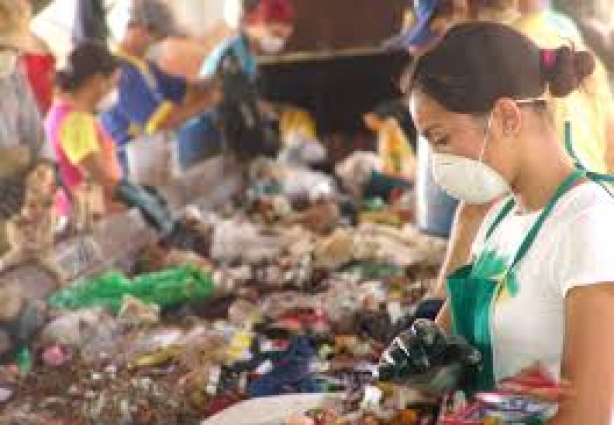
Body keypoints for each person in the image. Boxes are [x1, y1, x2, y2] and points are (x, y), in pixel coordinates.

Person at [386, 22, 614, 424]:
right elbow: (450, 344)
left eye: (441, 139)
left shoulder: (587, 225)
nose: (439, 163)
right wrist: (424, 363)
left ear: (507, 117)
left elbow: (587, 415)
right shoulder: (499, 221)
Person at [100, 0, 220, 185]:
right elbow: (162, 121)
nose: (158, 44)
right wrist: (211, 100)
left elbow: (184, 88)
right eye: (157, 37)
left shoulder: (144, 66)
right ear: (137, 28)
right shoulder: (123, 73)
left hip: (157, 156)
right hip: (135, 165)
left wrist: (217, 78)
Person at [177, 0, 296, 169]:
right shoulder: (231, 59)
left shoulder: (246, 56)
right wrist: (270, 148)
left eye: (284, 37)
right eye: (274, 33)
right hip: (206, 141)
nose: (278, 42)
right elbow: (240, 112)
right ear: (252, 24)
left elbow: (249, 102)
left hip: (222, 135)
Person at [45, 41, 124, 223]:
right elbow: (99, 178)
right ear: (97, 81)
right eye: (112, 84)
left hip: (84, 213)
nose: (113, 92)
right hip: (94, 216)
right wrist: (137, 202)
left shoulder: (59, 112)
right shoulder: (75, 122)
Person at [0, 0, 52, 253]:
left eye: (14, 49)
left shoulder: (13, 75)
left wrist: (43, 169)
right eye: (2, 47)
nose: (10, 56)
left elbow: (38, 137)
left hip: (14, 223)